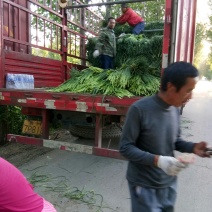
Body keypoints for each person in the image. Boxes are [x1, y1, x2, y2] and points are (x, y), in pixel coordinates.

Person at [119, 61, 210, 212]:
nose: (191, 96)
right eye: (188, 90)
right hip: (144, 186)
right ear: (171, 87)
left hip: (169, 183)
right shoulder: (139, 109)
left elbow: (175, 141)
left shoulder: (174, 109)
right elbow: (125, 148)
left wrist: (193, 147)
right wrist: (158, 160)